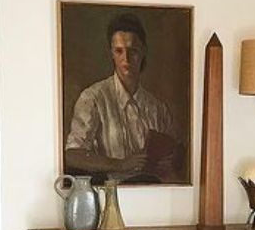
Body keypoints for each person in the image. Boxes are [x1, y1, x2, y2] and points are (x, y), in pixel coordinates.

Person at [65, 11, 181, 180]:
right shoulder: (93, 98)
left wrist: (169, 161)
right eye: (119, 51)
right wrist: (120, 164)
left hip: (154, 192)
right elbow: (72, 154)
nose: (125, 59)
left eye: (132, 51)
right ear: (111, 53)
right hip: (110, 195)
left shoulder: (157, 107)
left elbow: (175, 152)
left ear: (143, 51)